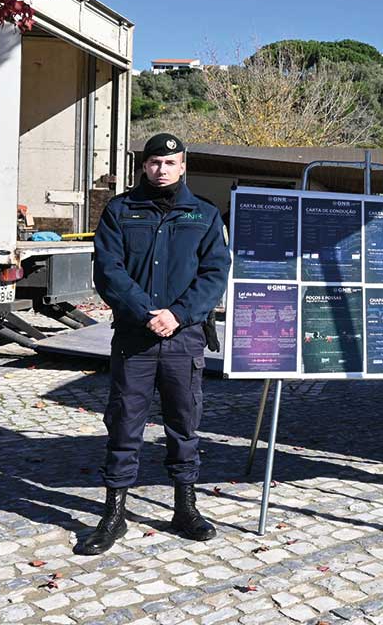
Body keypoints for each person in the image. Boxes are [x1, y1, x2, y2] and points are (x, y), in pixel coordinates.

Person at [78, 133, 231, 555]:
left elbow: (216, 273)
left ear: (183, 165)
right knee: (124, 423)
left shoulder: (203, 215)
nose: (160, 169)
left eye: (169, 162)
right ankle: (114, 513)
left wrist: (178, 314)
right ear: (143, 166)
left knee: (184, 423)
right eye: (153, 163)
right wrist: (148, 312)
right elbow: (109, 271)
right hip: (135, 337)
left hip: (184, 338)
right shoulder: (120, 211)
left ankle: (185, 506)